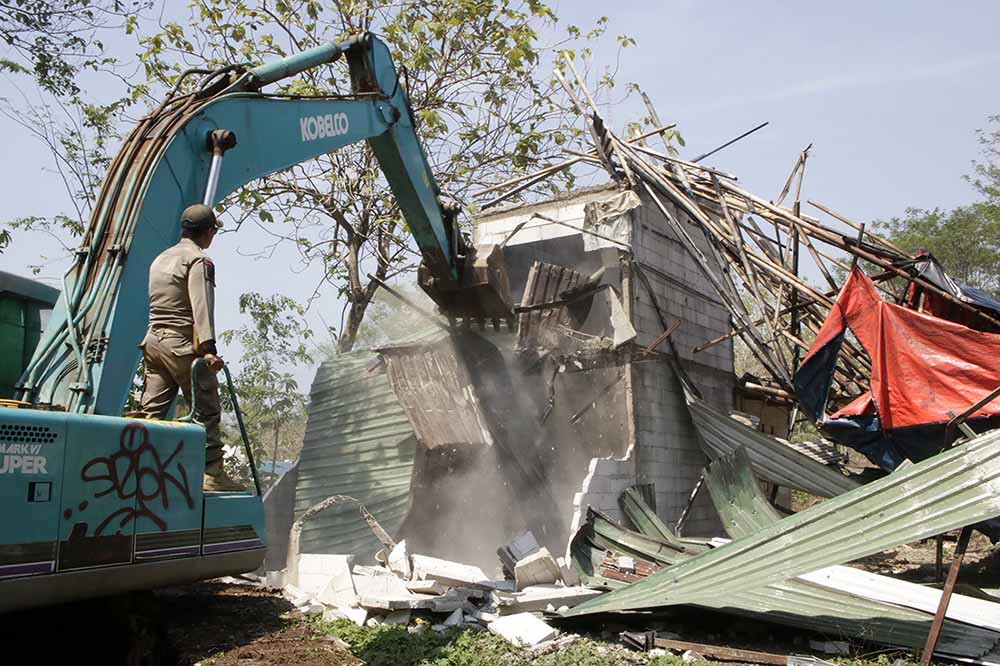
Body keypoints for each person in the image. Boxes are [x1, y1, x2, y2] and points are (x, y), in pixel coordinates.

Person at [139, 203, 243, 492]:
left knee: (152, 414)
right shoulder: (198, 260)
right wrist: (208, 349)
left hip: (154, 342)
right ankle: (212, 474)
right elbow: (201, 305)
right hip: (182, 345)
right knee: (207, 407)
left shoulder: (160, 258)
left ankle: (141, 470)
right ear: (209, 232)